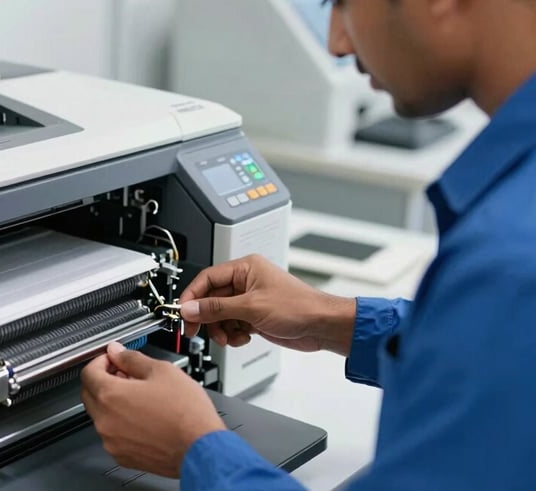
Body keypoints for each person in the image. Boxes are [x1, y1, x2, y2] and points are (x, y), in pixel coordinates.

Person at [81, 0, 536, 489]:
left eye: (341, 3)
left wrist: (196, 449)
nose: (337, 42)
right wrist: (333, 320)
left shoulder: (509, 261)